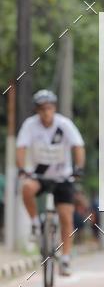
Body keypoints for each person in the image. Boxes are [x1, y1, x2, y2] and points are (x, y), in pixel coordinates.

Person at [16, 89, 85, 276]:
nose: (46, 112)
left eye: (49, 108)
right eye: (42, 109)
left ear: (54, 108)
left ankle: (65, 258)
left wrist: (78, 168)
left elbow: (78, 146)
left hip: (63, 176)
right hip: (39, 176)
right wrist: (22, 169)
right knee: (27, 188)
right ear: (37, 110)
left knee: (65, 216)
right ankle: (35, 223)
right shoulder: (30, 126)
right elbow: (21, 148)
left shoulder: (64, 124)